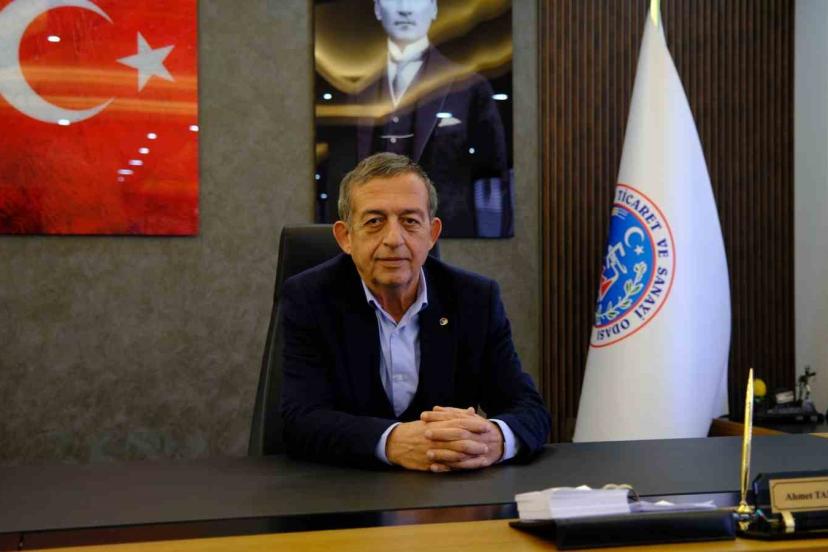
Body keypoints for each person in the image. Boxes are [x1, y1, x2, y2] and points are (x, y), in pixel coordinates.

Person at [280, 152, 549, 471]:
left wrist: (496, 439)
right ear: (345, 237)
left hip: (450, 491)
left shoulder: (475, 299)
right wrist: (391, 442)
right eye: (374, 221)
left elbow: (529, 408)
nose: (394, 239)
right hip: (346, 489)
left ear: (432, 234)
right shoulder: (310, 298)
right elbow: (300, 419)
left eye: (410, 221)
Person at [351, 0, 512, 238]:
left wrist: (489, 242)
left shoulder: (470, 87)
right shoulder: (357, 92)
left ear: (434, 7)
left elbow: (491, 179)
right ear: (377, 8)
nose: (405, 9)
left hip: (452, 240)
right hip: (372, 242)